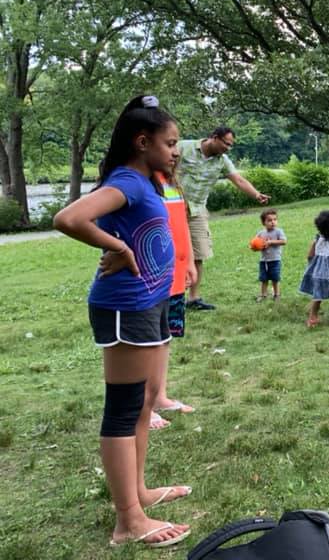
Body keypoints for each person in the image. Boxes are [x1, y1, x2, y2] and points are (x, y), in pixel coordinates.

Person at [53, 96, 191, 548]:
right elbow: (69, 218)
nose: (175, 152)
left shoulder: (145, 182)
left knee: (146, 402)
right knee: (125, 408)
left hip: (148, 302)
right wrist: (119, 247)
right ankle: (128, 519)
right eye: (170, 143)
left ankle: (139, 493)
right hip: (124, 307)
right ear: (142, 141)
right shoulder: (128, 181)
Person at [177, 126, 270, 311]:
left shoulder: (222, 161)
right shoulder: (183, 147)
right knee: (173, 254)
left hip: (197, 211)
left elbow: (238, 180)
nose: (228, 148)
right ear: (214, 137)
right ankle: (171, 297)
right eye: (226, 143)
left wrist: (256, 194)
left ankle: (193, 299)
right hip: (172, 207)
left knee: (199, 254)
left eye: (231, 145)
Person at [149, 167, 196, 430]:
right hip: (151, 278)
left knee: (164, 337)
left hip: (174, 275)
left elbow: (182, 225)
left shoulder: (172, 183)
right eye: (168, 147)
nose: (175, 152)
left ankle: (160, 397)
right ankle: (143, 405)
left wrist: (189, 262)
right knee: (147, 342)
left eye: (174, 147)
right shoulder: (139, 181)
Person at [254, 208, 286, 301]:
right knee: (263, 279)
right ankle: (263, 295)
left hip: (275, 260)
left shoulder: (278, 231)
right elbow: (254, 243)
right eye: (269, 220)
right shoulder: (261, 233)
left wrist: (271, 242)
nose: (273, 222)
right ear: (263, 222)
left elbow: (284, 241)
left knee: (275, 278)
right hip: (263, 261)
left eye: (275, 219)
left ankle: (276, 295)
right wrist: (254, 247)